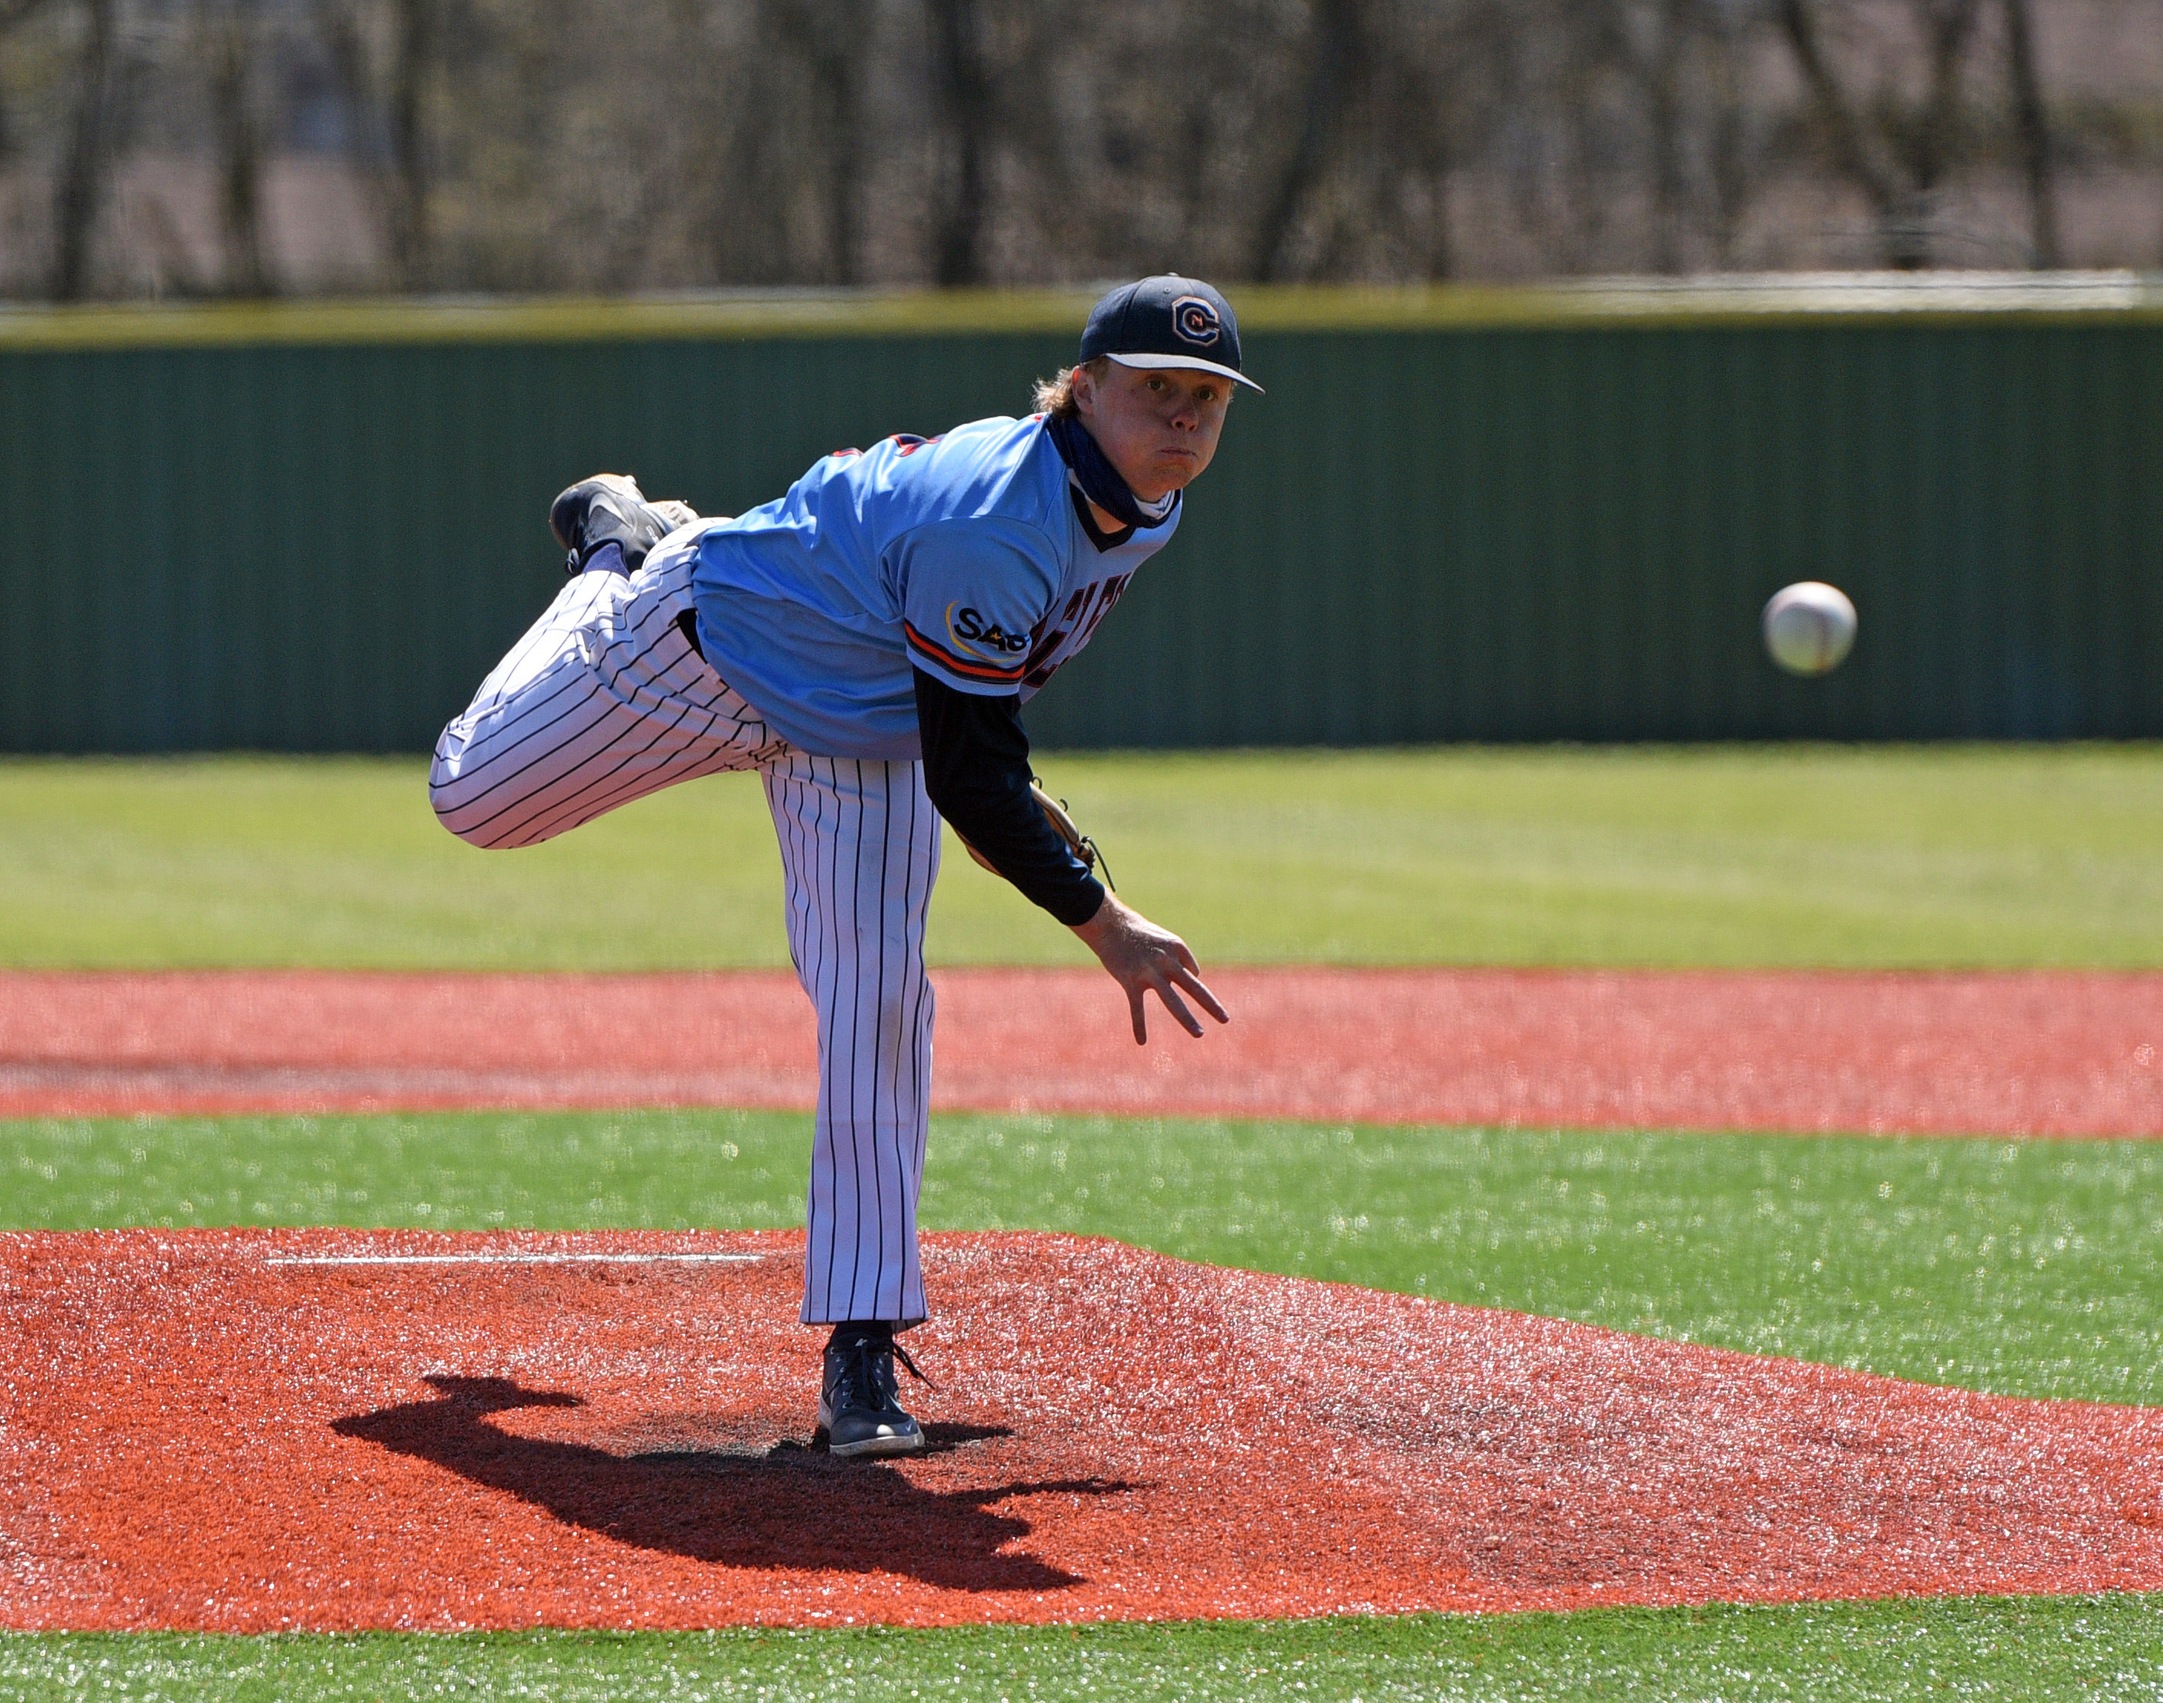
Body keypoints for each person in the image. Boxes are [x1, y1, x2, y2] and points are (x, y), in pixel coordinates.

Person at [429, 275, 1257, 1457]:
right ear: (1082, 390)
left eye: (1206, 400)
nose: (1182, 419)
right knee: (471, 798)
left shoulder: (1142, 500)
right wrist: (1103, 918)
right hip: (714, 642)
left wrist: (1005, 788)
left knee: (878, 1001)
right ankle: (614, 555)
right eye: (1154, 392)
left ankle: (861, 1347)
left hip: (862, 735)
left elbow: (979, 726)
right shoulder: (999, 518)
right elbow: (973, 774)